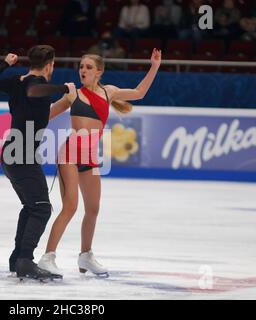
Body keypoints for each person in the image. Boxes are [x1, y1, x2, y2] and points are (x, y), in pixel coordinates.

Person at [28, 49, 161, 277]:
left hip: (89, 157)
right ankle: (47, 257)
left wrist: (154, 66)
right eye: (81, 66)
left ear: (99, 72)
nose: (83, 70)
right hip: (69, 154)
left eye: (88, 67)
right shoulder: (72, 94)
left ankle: (86, 256)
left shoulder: (109, 92)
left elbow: (139, 92)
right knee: (70, 207)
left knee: (93, 209)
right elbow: (45, 115)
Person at [0, 46, 74, 281]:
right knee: (41, 208)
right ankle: (24, 260)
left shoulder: (15, 81)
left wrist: (4, 65)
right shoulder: (34, 84)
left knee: (32, 206)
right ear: (50, 64)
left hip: (12, 153)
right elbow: (34, 90)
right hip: (21, 155)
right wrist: (65, 89)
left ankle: (17, 259)